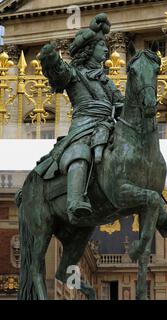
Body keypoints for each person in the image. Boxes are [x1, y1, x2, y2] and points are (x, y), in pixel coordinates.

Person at [35, 13, 123, 224]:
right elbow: (58, 73)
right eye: (101, 45)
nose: (106, 49)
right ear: (89, 50)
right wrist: (52, 57)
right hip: (84, 125)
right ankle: (75, 202)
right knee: (80, 153)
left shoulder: (105, 79)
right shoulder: (74, 73)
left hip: (108, 125)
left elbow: (120, 103)